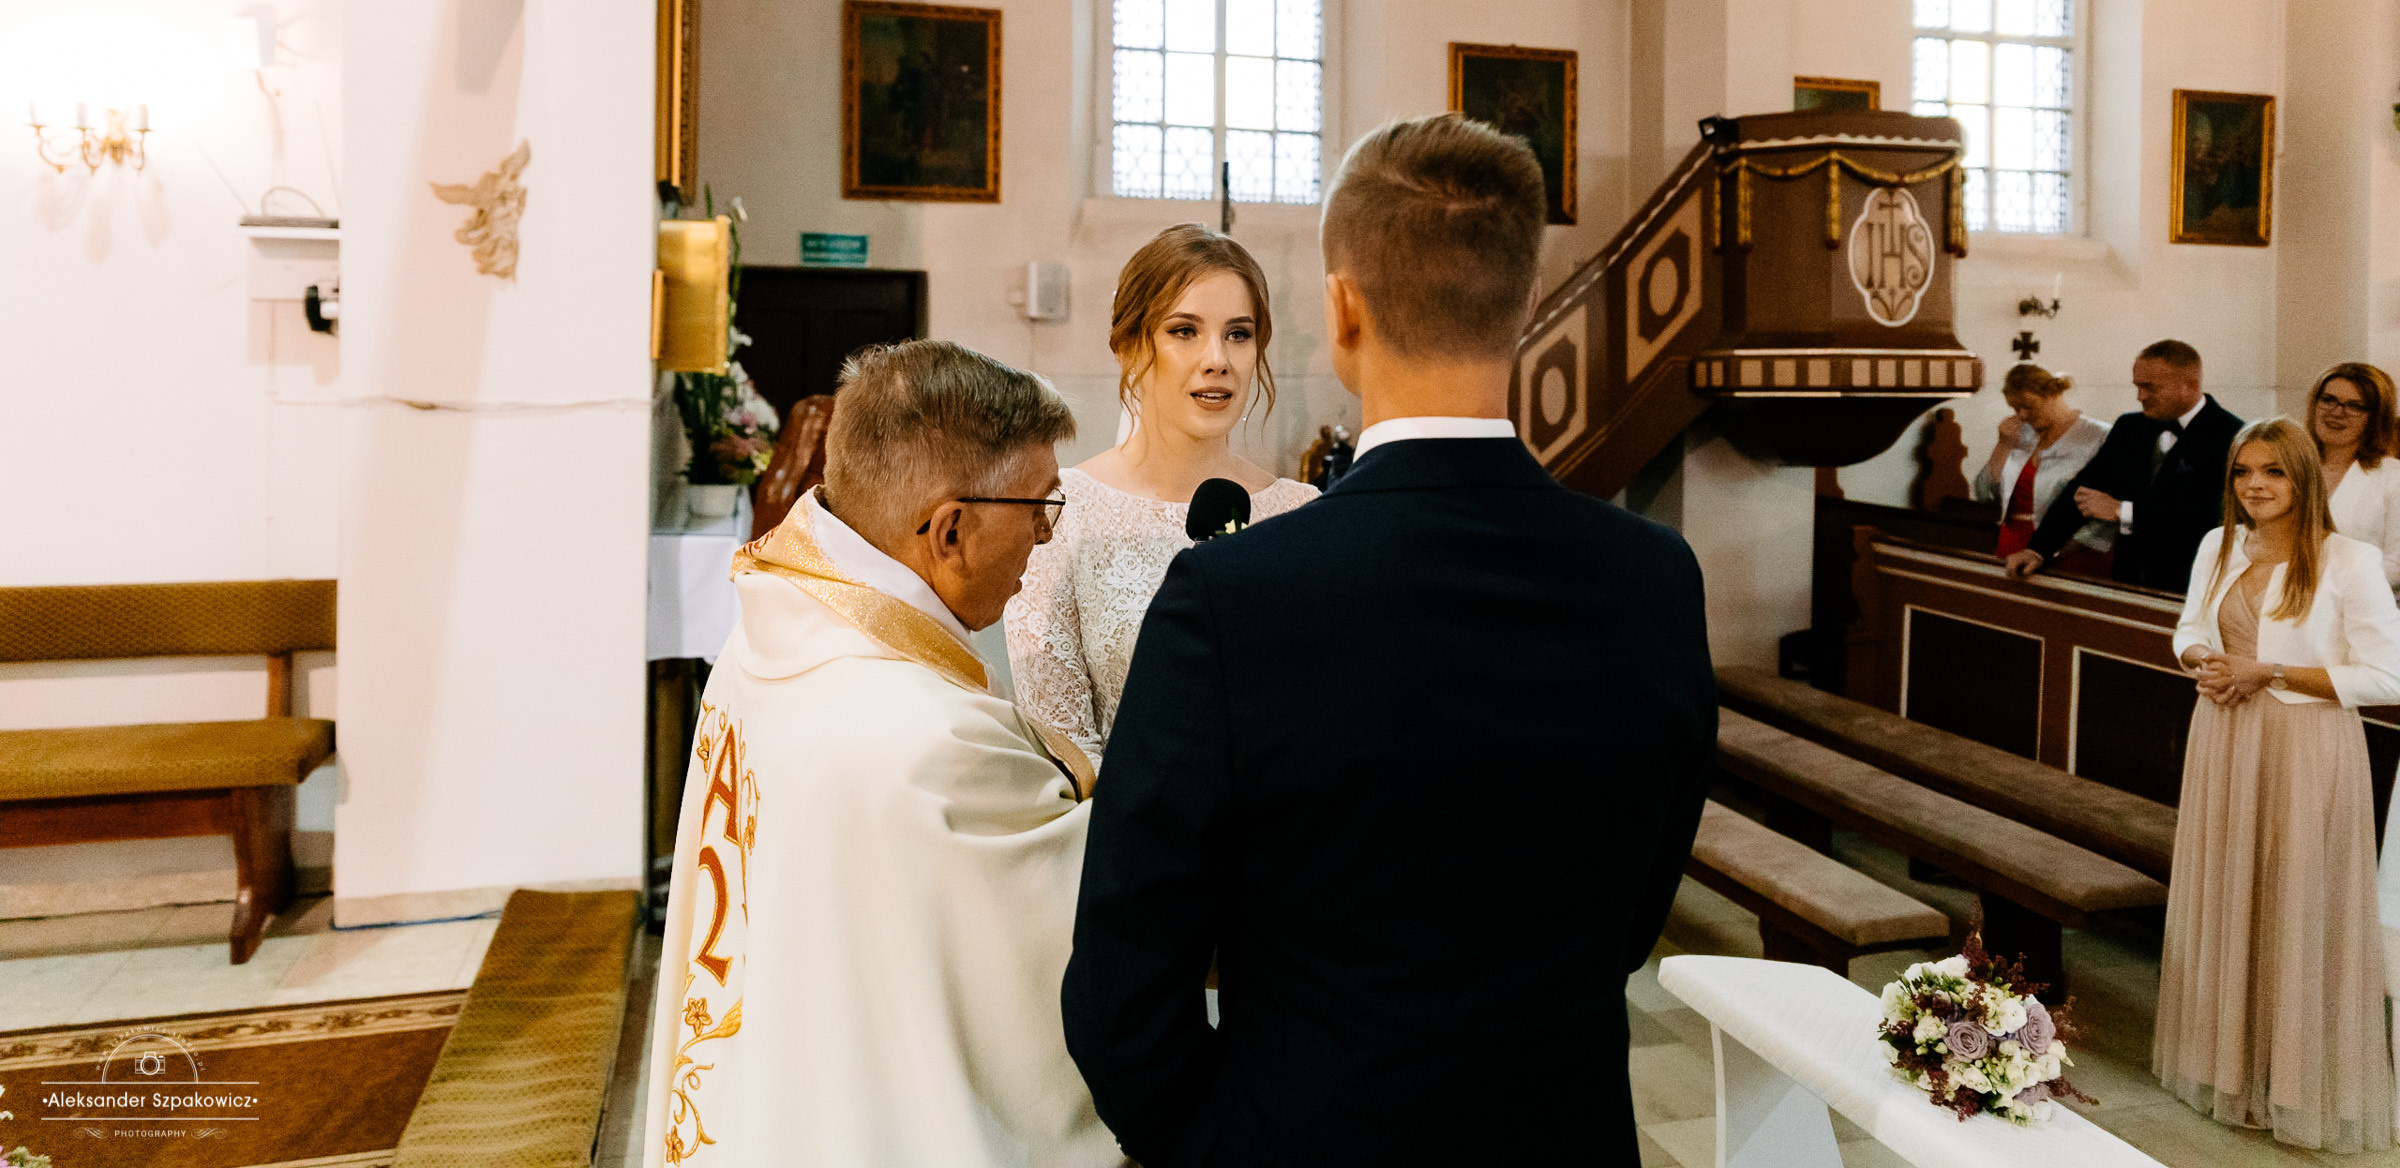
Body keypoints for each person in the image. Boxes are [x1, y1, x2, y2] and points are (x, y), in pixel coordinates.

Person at [1062, 114, 1717, 1167]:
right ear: (1529, 303)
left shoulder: (1233, 597)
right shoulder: (1654, 579)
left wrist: (1216, 1140)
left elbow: (1124, 976)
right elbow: (1636, 905)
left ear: (1342, 308)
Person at [643, 340, 1125, 1168]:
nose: (1045, 537)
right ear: (950, 529)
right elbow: (1080, 934)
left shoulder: (766, 640)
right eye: (1039, 507)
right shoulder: (929, 743)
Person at [2153, 417, 2400, 1151]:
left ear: (2303, 478)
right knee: (2229, 895)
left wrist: (2270, 672)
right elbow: (2189, 627)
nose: (2254, 486)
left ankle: (2291, 1081)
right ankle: (2229, 1069)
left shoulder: (2349, 560)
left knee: (2296, 903)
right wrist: (2204, 661)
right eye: (2242, 472)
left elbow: (2388, 678)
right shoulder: (2218, 544)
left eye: (2273, 471)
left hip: (2304, 744)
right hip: (2224, 733)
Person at [1005, 224, 1316, 768]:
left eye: (1238, 334)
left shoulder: (1301, 513)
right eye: (1184, 331)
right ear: (1129, 348)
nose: (1217, 359)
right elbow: (1064, 751)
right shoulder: (1063, 515)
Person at [2005, 340, 2242, 594]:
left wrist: (2123, 511)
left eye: (2149, 387)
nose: (2140, 397)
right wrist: (2038, 549)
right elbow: (2082, 489)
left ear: (2190, 386)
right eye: (2137, 386)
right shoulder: (2129, 428)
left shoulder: (2232, 435)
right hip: (2128, 578)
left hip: (2191, 583)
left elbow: (2208, 517)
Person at [1970, 362, 2111, 565]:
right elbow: (1984, 494)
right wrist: (2003, 446)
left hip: (2070, 550)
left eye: (2029, 407)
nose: (2022, 415)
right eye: (2016, 409)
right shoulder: (2021, 434)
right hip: (2012, 542)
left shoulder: (2099, 436)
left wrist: (2055, 551)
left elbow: (2106, 514)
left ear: (2052, 395)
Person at [2309, 361, 2400, 594]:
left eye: (2354, 406)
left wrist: (2332, 592)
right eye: (2328, 400)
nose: (2337, 412)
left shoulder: (2393, 477)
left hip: (2363, 603)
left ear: (2375, 418)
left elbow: (2397, 561)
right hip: (2288, 600)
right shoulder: (2290, 467)